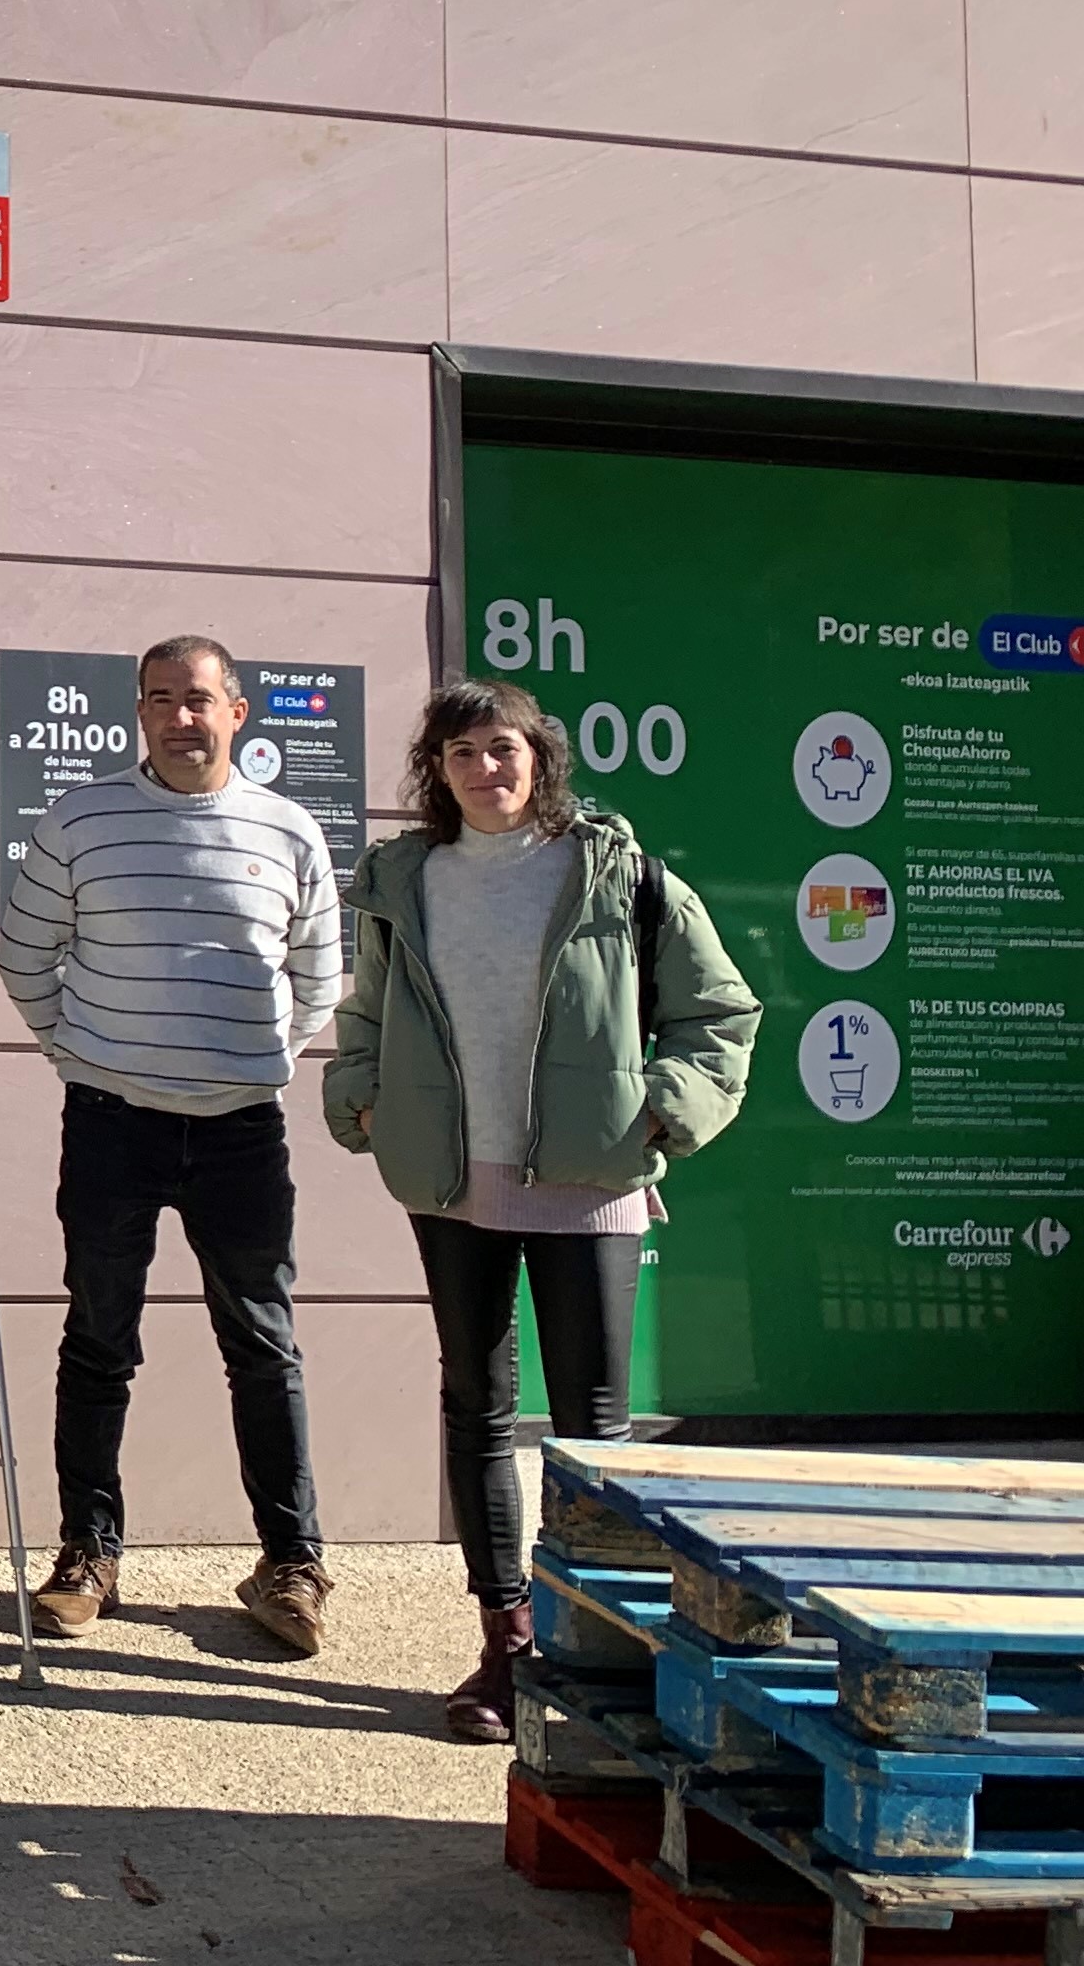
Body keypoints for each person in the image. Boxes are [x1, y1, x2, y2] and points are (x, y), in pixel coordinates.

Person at [329, 679, 758, 1741]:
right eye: (463, 752)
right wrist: (361, 1096)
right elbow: (367, 1010)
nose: (486, 769)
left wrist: (660, 1115)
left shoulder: (618, 871)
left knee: (591, 1425)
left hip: (589, 1177)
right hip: (451, 1180)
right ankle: (507, 1643)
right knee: (474, 1404)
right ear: (437, 770)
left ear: (540, 758)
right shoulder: (404, 880)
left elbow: (721, 1011)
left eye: (505, 748)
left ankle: (598, 1642)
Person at [0, 633, 346, 1655]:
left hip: (242, 1130)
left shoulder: (289, 831)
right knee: (99, 1338)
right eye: (160, 700)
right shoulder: (79, 819)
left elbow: (319, 977)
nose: (180, 717)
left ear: (238, 711)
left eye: (198, 699)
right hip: (112, 1123)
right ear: (138, 715)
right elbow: (26, 957)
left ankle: (291, 1564)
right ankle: (87, 1554)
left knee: (264, 1346)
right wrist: (84, 1054)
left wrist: (249, 1060)